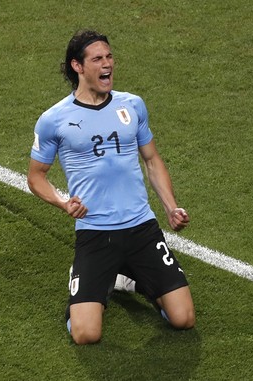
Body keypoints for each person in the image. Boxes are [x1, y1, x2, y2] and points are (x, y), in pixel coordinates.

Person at [27, 29, 195, 345]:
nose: (107, 65)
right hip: (95, 233)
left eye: (109, 57)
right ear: (78, 66)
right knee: (87, 335)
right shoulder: (54, 120)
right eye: (97, 59)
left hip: (142, 229)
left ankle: (130, 280)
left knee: (183, 319)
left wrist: (171, 207)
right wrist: (64, 203)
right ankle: (83, 294)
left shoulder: (132, 106)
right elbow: (36, 176)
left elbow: (152, 160)